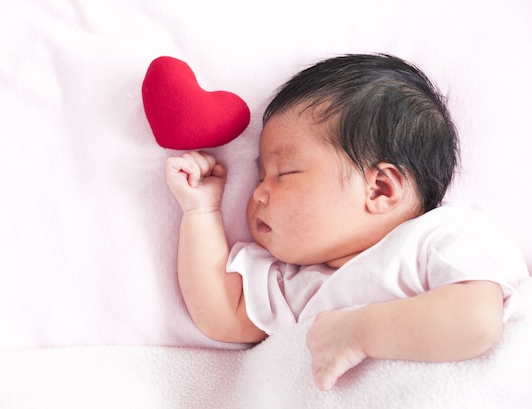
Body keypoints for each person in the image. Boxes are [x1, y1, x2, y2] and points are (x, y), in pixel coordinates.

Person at [164, 53, 528, 391]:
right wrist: (201, 211)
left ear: (381, 189)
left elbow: (477, 320)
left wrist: (360, 333)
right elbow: (224, 315)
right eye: (260, 177)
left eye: (284, 173)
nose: (258, 194)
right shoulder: (297, 281)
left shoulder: (439, 237)